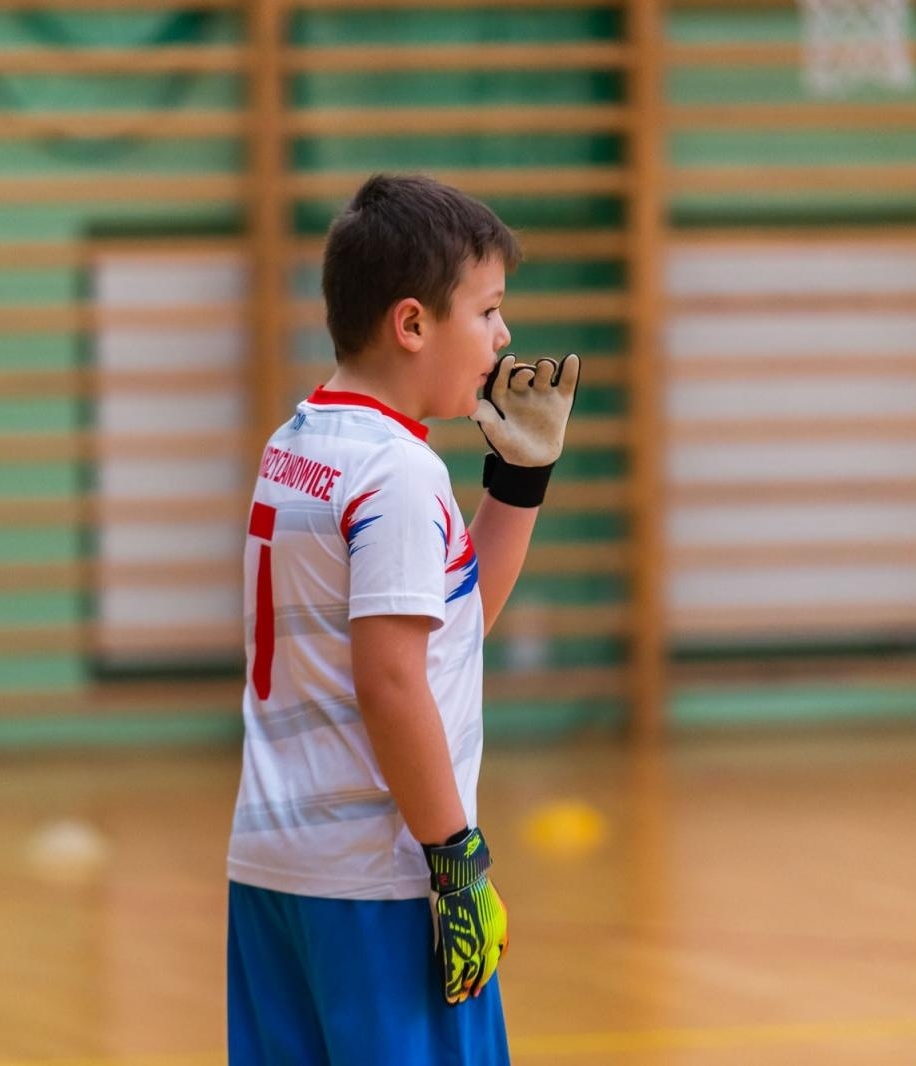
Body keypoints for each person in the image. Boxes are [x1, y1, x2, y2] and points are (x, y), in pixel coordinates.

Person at [226, 172, 579, 1066]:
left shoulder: (299, 442)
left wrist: (518, 486)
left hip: (274, 866)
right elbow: (391, 682)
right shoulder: (400, 474)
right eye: (489, 311)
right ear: (413, 324)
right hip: (379, 882)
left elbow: (448, 635)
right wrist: (455, 860)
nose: (504, 338)